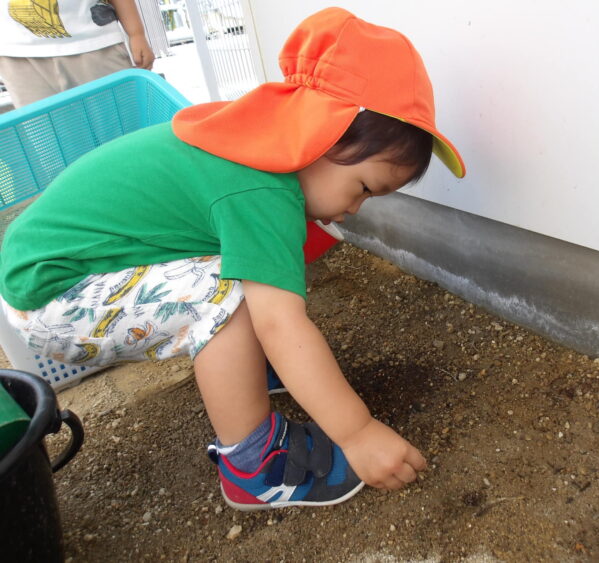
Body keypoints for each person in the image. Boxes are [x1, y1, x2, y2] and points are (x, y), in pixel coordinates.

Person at [0, 7, 465, 510]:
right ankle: (253, 464)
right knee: (232, 298)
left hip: (63, 268)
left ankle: (244, 369)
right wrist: (358, 432)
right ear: (321, 134)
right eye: (364, 188)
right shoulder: (260, 187)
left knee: (255, 276)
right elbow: (281, 324)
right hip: (60, 298)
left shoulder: (252, 142)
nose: (356, 209)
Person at [0, 0, 154, 108]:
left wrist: (136, 33)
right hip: (17, 53)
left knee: (124, 123)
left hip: (95, 41)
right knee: (47, 133)